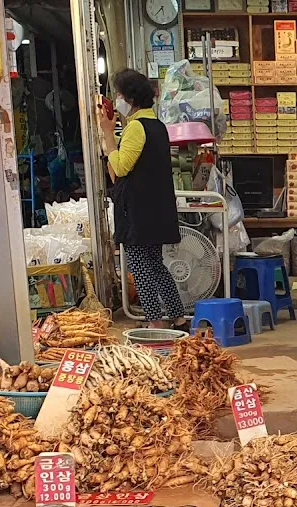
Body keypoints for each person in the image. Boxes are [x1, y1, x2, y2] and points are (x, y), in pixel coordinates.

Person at [98, 69, 186, 330]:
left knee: (140, 267)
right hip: (156, 209)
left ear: (131, 98)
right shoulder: (157, 125)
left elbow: (122, 167)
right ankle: (177, 316)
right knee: (156, 266)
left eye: (119, 95)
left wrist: (108, 136)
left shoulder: (137, 127)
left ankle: (155, 322)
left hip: (138, 211)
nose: (117, 100)